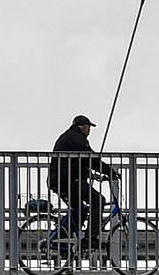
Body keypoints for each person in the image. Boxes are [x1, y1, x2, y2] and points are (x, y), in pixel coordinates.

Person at [47, 113, 118, 263]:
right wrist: (109, 171)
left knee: (81, 209)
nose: (89, 131)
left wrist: (93, 175)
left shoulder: (70, 137)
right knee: (98, 200)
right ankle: (90, 239)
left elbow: (78, 162)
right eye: (89, 128)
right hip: (68, 181)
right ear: (84, 127)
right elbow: (90, 158)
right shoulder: (77, 138)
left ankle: (67, 239)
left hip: (63, 179)